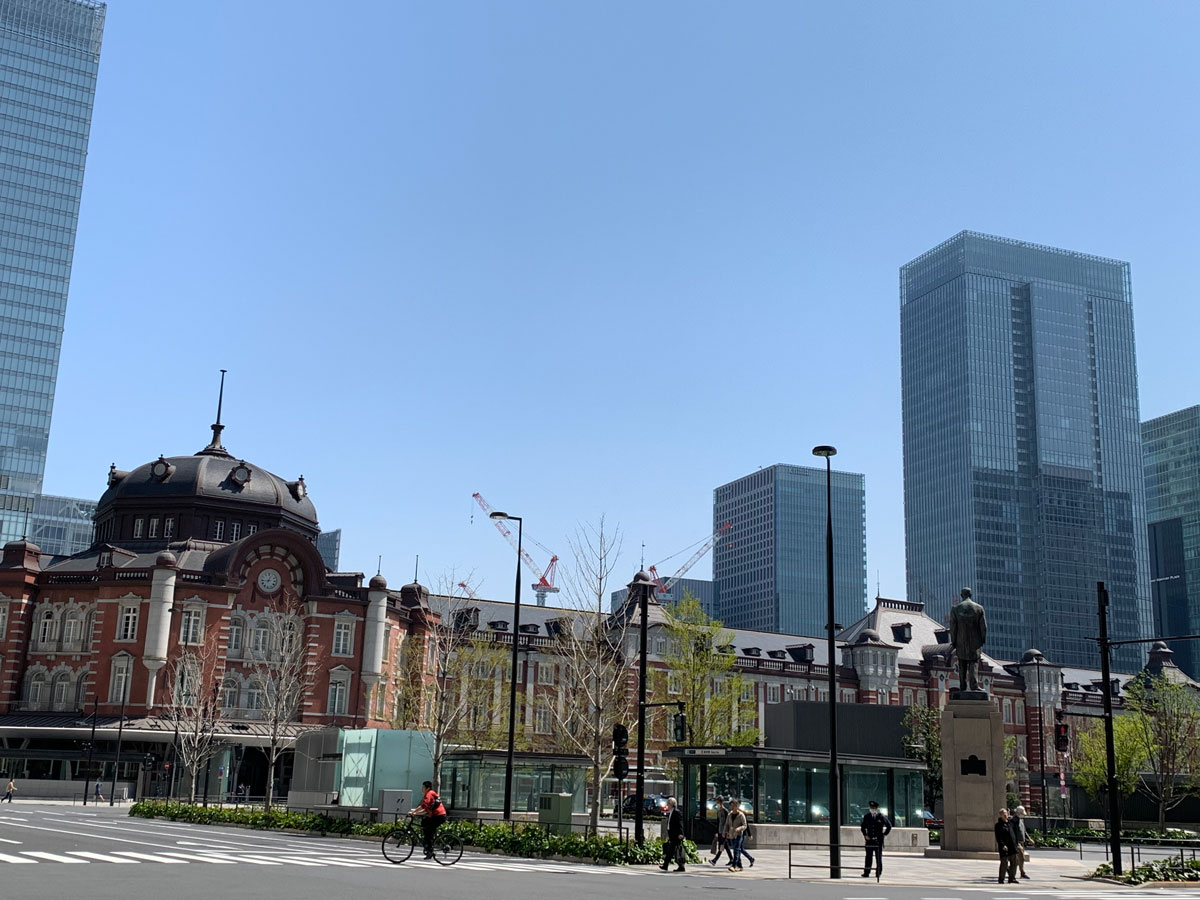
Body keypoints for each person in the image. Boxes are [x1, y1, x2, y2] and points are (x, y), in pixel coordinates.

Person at [412, 780, 446, 859]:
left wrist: (414, 812)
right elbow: (424, 808)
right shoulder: (430, 794)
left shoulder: (429, 794)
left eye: (423, 787)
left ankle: (430, 850)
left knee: (428, 831)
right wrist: (414, 812)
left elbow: (423, 806)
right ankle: (427, 844)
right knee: (424, 823)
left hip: (438, 816)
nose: (422, 789)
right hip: (436, 815)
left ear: (427, 788)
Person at [860, 799, 893, 878]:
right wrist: (865, 835)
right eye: (871, 807)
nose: (872, 809)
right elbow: (862, 827)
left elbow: (889, 826)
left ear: (876, 809)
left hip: (878, 841)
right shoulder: (867, 817)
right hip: (869, 840)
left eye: (874, 808)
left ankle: (878, 872)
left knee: (878, 857)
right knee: (868, 857)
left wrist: (884, 834)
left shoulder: (880, 816)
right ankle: (866, 872)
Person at [725, 799, 753, 871]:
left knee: (736, 850)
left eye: (734, 805)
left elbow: (745, 825)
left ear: (737, 806)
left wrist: (739, 828)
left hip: (739, 835)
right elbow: (727, 824)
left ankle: (734, 866)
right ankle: (740, 866)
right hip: (731, 835)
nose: (732, 807)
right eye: (731, 805)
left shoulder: (741, 815)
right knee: (736, 849)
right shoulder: (729, 815)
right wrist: (725, 832)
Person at [659, 797, 685, 872]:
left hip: (676, 835)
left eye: (668, 803)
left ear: (672, 804)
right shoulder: (671, 811)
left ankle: (679, 866)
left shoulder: (676, 812)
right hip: (672, 834)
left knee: (674, 851)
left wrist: (681, 833)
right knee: (670, 851)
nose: (667, 805)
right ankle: (666, 865)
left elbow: (680, 823)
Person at [995, 808, 1019, 884]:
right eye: (1003, 813)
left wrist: (1017, 844)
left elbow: (1015, 834)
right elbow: (998, 837)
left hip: (1012, 846)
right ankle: (1001, 878)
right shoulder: (998, 825)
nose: (1005, 815)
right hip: (1004, 847)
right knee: (1004, 863)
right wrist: (1003, 845)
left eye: (1006, 813)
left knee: (1014, 863)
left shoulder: (1010, 823)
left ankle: (1012, 878)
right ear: (1000, 815)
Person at [710, 796, 734, 866]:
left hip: (724, 831)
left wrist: (727, 831)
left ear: (720, 802)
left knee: (722, 845)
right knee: (725, 846)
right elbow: (718, 822)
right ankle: (731, 859)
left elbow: (728, 822)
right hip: (720, 831)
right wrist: (717, 832)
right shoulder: (719, 811)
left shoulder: (725, 811)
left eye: (718, 801)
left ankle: (715, 860)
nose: (717, 803)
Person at [1012, 806, 1031, 879]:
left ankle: (1009, 868)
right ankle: (1022, 872)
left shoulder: (1021, 820)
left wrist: (1029, 838)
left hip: (1022, 842)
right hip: (1017, 842)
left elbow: (1024, 831)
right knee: (1021, 857)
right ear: (1018, 813)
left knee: (1018, 859)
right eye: (1022, 813)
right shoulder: (1013, 821)